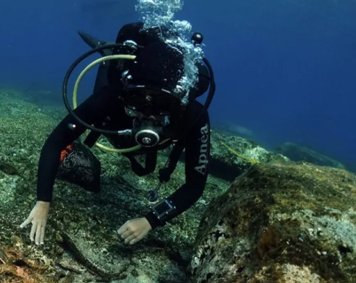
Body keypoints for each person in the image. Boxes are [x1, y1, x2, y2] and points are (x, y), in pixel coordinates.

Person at [21, 22, 214, 245]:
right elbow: (57, 141)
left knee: (145, 168)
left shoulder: (192, 115)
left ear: (179, 100)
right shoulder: (114, 96)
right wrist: (43, 201)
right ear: (128, 90)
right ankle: (112, 55)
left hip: (143, 133)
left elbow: (195, 185)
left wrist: (150, 220)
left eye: (161, 105)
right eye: (138, 101)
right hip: (116, 122)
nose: (148, 114)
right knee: (107, 94)